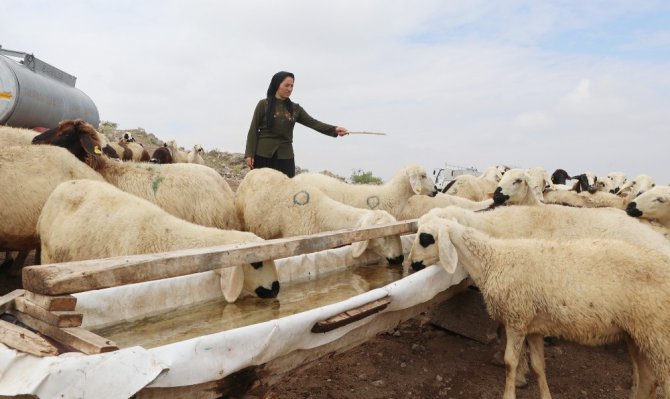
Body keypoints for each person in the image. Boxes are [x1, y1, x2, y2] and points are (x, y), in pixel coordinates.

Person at [244, 71, 348, 178]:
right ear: (277, 84)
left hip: (285, 157)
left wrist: (334, 129)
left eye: (292, 86)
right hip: (262, 155)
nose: (290, 89)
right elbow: (253, 130)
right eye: (286, 85)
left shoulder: (295, 109)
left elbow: (313, 123)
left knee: (287, 190)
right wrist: (249, 154)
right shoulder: (263, 104)